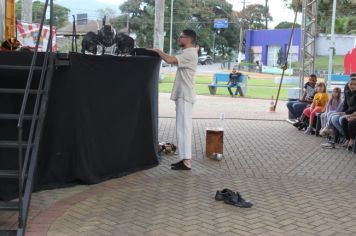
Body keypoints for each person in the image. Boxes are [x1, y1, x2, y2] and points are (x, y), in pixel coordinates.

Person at [151, 29, 198, 170]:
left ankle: (187, 161)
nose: (179, 38)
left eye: (181, 36)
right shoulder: (187, 53)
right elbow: (174, 61)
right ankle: (184, 159)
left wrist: (158, 51)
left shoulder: (190, 53)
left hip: (185, 95)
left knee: (184, 128)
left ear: (188, 39)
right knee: (181, 128)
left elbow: (170, 60)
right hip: (183, 95)